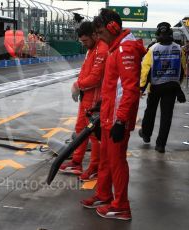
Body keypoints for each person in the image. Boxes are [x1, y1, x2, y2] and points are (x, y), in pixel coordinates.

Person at [81, 8, 146, 220]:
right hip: (109, 115)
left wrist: (120, 120)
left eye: (100, 32)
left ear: (113, 28)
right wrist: (100, 107)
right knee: (107, 160)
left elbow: (130, 90)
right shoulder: (114, 48)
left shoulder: (125, 49)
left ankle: (121, 206)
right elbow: (111, 87)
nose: (98, 37)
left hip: (118, 118)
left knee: (117, 161)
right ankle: (103, 195)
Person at [59, 21, 108, 181]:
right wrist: (80, 87)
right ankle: (76, 162)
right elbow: (86, 71)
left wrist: (78, 85)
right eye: (82, 42)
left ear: (94, 34)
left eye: (86, 41)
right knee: (80, 130)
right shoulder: (92, 49)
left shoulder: (102, 49)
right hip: (87, 96)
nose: (84, 44)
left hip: (95, 98)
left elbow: (96, 77)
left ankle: (94, 167)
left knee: (93, 134)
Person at [138, 22, 187, 153]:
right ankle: (161, 145)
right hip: (172, 87)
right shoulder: (179, 48)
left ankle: (146, 134)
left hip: (155, 87)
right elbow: (182, 69)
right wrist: (178, 85)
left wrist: (142, 87)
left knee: (150, 111)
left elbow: (145, 69)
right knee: (166, 116)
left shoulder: (153, 49)